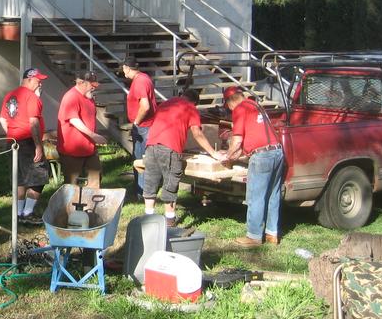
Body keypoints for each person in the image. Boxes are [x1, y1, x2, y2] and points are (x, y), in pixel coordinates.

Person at [221, 86, 285, 247]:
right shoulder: (256, 106)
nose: (229, 110)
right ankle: (272, 234)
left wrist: (227, 157)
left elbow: (237, 140)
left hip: (262, 156)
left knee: (256, 196)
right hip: (277, 151)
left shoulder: (240, 109)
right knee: (273, 195)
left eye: (228, 107)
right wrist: (237, 155)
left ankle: (254, 236)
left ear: (230, 101)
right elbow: (253, 139)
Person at [144, 89, 219, 225]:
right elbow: (197, 133)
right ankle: (169, 221)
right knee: (170, 184)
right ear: (195, 102)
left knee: (150, 183)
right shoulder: (190, 108)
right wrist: (213, 152)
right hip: (169, 149)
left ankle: (148, 220)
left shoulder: (166, 103)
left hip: (151, 146)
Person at [0, 67, 50, 225]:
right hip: (28, 142)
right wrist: (38, 146)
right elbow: (33, 122)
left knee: (20, 179)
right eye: (37, 80)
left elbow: (2, 119)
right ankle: (27, 213)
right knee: (40, 176)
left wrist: (13, 133)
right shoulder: (32, 97)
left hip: (12, 142)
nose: (40, 82)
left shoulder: (10, 95)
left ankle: (18, 214)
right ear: (29, 79)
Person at [56, 71, 107, 188]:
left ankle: (92, 204)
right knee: (71, 184)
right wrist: (93, 135)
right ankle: (70, 206)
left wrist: (94, 137)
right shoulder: (71, 97)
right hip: (72, 150)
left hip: (89, 148)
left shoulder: (89, 98)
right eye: (91, 85)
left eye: (95, 85)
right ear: (81, 83)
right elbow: (74, 120)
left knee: (96, 177)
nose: (94, 88)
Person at [122, 57, 158, 196]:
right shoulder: (143, 78)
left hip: (144, 127)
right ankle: (141, 190)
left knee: (140, 160)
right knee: (141, 159)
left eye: (123, 69)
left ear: (127, 68)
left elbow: (145, 106)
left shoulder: (140, 82)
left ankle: (142, 192)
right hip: (145, 126)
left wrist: (136, 122)